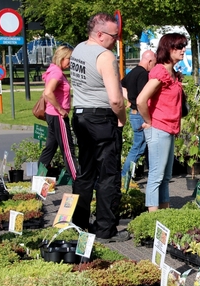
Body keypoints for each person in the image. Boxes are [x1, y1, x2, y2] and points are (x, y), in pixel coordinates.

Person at [70, 12, 128, 243]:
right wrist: (121, 118)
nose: (116, 41)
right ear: (100, 34)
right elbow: (115, 99)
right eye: (114, 36)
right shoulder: (105, 56)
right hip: (101, 119)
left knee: (85, 173)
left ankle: (79, 223)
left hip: (80, 114)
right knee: (108, 175)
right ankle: (106, 229)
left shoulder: (78, 50)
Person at [137, 33, 188, 212]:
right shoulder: (160, 71)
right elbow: (141, 99)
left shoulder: (172, 73)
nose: (183, 50)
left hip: (169, 129)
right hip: (159, 128)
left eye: (184, 46)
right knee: (156, 177)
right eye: (179, 47)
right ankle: (152, 219)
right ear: (169, 48)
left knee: (166, 177)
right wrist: (149, 121)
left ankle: (165, 215)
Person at [37, 45, 78, 181]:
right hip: (58, 116)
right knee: (68, 149)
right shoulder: (57, 73)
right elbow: (48, 92)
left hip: (52, 114)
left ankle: (38, 179)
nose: (70, 62)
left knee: (50, 148)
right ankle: (78, 180)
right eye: (69, 59)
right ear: (62, 58)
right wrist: (60, 109)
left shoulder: (53, 70)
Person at [121, 50, 156, 179]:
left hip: (133, 113)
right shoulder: (142, 74)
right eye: (154, 63)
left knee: (145, 145)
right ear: (149, 61)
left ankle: (152, 171)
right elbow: (143, 97)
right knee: (139, 147)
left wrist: (129, 99)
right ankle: (124, 176)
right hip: (140, 114)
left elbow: (121, 85)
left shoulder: (133, 72)